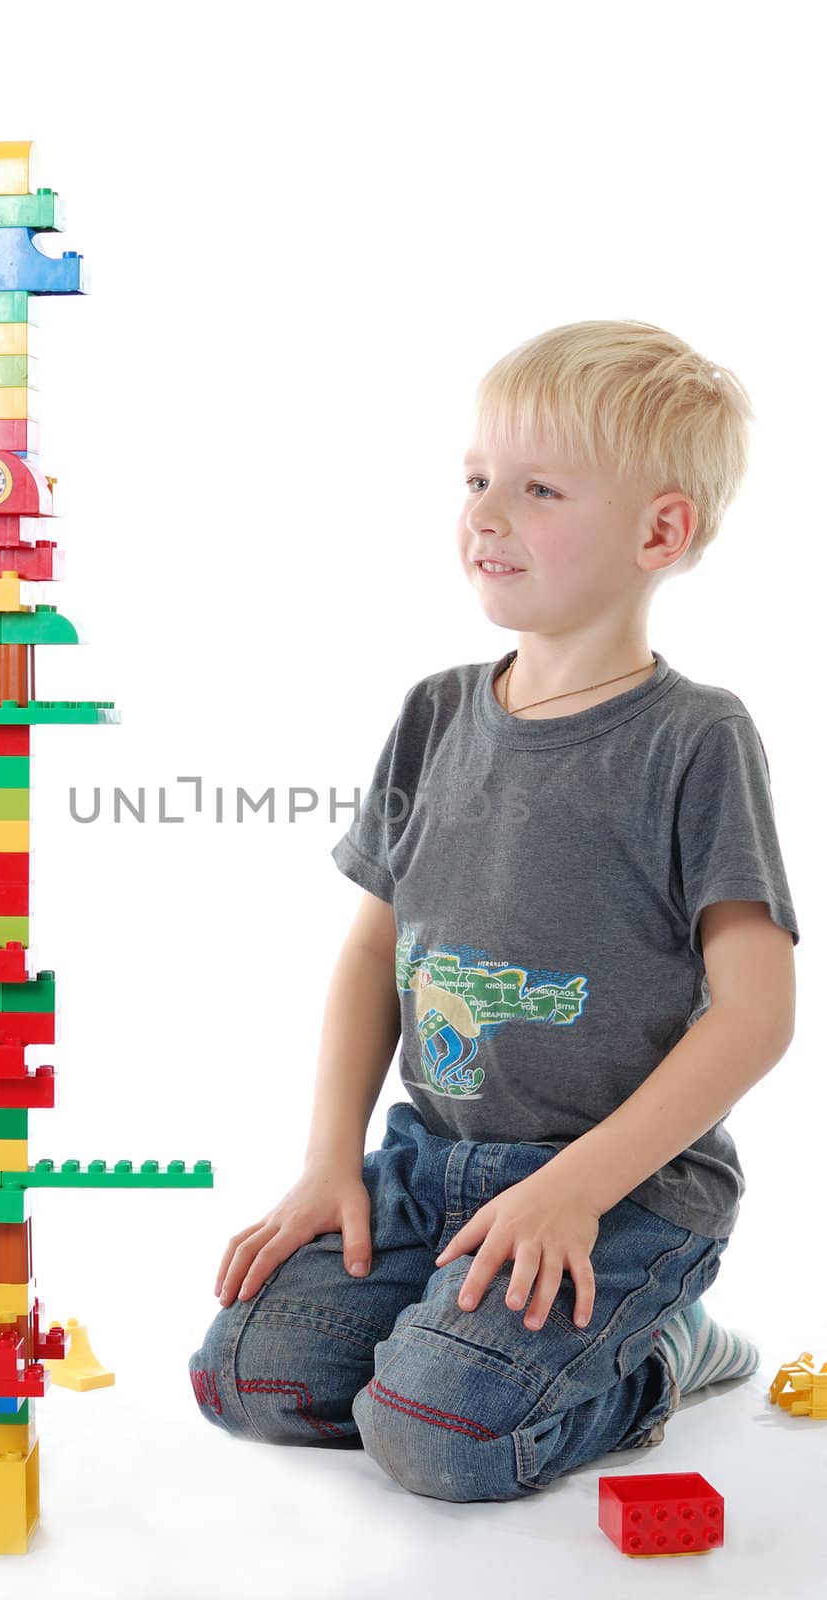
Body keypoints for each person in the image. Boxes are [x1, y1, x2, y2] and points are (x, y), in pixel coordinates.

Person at [187, 319, 800, 1501]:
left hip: (616, 1188)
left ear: (660, 531)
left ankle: (657, 1345)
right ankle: (463, 1336)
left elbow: (756, 1012)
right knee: (249, 1380)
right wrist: (331, 1160)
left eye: (537, 487)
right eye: (475, 479)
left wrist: (575, 1187)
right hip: (432, 1165)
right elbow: (374, 949)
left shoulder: (695, 739)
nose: (483, 513)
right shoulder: (434, 712)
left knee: (440, 1438)